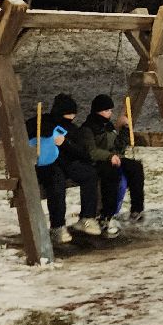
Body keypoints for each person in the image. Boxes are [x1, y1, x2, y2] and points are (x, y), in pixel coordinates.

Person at [78, 94, 145, 234]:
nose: (110, 113)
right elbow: (92, 151)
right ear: (99, 111)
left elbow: (118, 147)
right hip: (98, 162)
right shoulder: (88, 128)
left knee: (135, 167)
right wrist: (109, 156)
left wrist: (125, 128)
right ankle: (107, 215)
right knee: (111, 174)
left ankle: (137, 208)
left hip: (113, 158)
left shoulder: (108, 126)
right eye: (107, 110)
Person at [52, 93, 107, 236]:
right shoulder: (47, 126)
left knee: (90, 174)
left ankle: (87, 217)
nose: (71, 118)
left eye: (72, 115)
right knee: (56, 183)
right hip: (52, 165)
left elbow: (82, 152)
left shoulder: (73, 130)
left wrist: (66, 144)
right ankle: (58, 226)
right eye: (68, 115)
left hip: (70, 163)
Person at [26, 100, 72, 247]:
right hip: (34, 165)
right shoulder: (44, 125)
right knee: (55, 180)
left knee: (58, 178)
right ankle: (55, 226)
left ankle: (58, 225)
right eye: (69, 114)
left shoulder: (57, 126)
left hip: (49, 165)